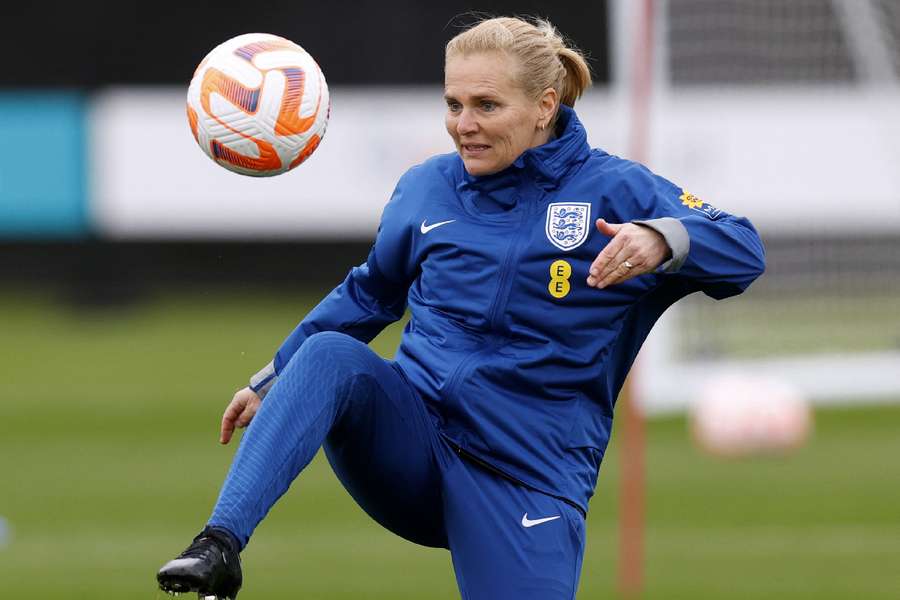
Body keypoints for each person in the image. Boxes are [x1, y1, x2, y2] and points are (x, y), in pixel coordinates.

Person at [157, 16, 765, 600]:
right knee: (328, 357)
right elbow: (370, 293)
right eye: (454, 105)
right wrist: (274, 379)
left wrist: (663, 239)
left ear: (545, 107)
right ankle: (219, 546)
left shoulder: (617, 189)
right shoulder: (427, 187)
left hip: (526, 476)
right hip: (412, 444)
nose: (464, 125)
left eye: (486, 106)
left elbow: (743, 248)